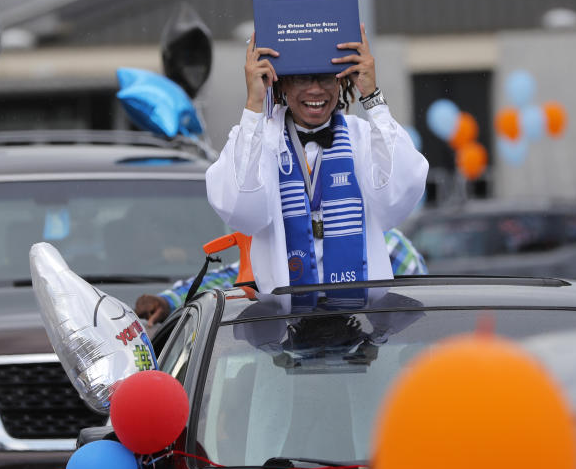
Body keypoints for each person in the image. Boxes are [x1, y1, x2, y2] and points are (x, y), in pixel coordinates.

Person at [204, 24, 428, 294]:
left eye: (324, 77)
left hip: (361, 320)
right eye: (301, 78)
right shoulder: (257, 141)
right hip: (284, 324)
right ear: (282, 82)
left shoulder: (365, 136)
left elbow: (398, 197)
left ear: (341, 81)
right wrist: (254, 103)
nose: (315, 90)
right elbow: (242, 210)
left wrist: (372, 96)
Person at [135, 227, 427, 325]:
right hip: (287, 377)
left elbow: (422, 320)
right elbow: (236, 277)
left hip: (373, 378)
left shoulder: (387, 246)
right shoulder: (281, 241)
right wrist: (170, 300)